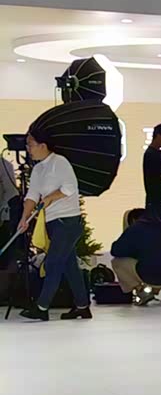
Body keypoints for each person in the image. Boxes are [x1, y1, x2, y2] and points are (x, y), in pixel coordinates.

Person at [16, 124, 90, 321]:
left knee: (53, 262)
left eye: (30, 145)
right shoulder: (38, 169)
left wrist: (50, 197)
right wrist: (24, 218)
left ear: (43, 145)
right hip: (52, 222)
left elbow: (70, 188)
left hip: (67, 221)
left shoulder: (60, 162)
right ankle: (82, 306)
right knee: (69, 266)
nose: (28, 149)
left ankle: (42, 307)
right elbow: (32, 195)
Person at [110, 208, 161, 306]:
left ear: (133, 220)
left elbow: (115, 250)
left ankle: (141, 291)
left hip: (149, 277)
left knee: (117, 262)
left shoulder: (135, 228)